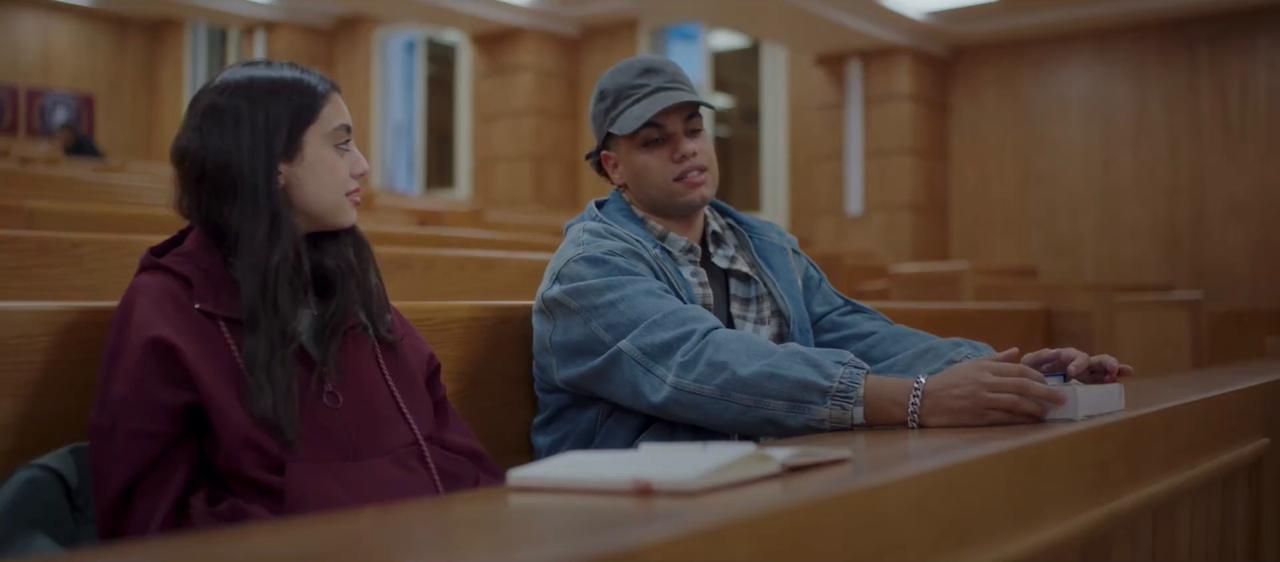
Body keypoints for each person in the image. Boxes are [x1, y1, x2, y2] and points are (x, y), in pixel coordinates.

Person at [530, 55, 1133, 457]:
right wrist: (917, 400)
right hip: (630, 512)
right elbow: (702, 365)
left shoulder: (763, 243)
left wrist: (1011, 377)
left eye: (693, 129)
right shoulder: (590, 269)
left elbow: (860, 333)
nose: (685, 150)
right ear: (614, 167)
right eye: (654, 141)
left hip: (760, 482)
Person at [89, 60, 501, 540]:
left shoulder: (356, 293)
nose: (362, 165)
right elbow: (151, 522)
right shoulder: (166, 308)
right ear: (270, 162)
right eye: (341, 144)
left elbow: (458, 461)